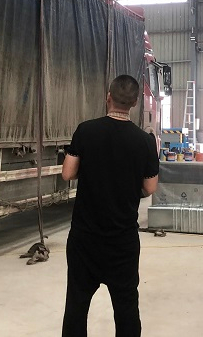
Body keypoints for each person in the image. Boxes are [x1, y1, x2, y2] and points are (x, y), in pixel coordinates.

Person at [61, 75, 160, 337]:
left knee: (77, 304)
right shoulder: (144, 141)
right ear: (135, 103)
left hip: (85, 238)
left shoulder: (85, 131)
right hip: (122, 241)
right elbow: (150, 187)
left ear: (108, 97)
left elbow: (68, 173)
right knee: (126, 307)